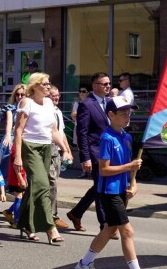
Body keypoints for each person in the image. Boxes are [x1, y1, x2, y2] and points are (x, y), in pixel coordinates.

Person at [75, 96, 142, 269]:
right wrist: (129, 166)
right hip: (109, 192)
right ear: (111, 114)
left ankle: (84, 263)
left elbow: (130, 168)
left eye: (129, 113)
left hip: (121, 190)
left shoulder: (127, 137)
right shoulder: (107, 138)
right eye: (123, 113)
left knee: (109, 229)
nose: (128, 117)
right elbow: (104, 169)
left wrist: (133, 185)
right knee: (127, 231)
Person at [14, 72, 71, 244]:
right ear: (36, 86)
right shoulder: (27, 102)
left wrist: (65, 149)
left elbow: (53, 130)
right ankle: (50, 227)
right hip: (30, 147)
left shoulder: (48, 104)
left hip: (46, 147)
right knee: (42, 184)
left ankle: (25, 224)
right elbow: (18, 130)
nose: (48, 86)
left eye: (48, 83)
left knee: (35, 187)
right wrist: (18, 156)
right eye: (45, 84)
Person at [67, 72, 111, 234]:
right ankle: (104, 225)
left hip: (109, 152)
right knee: (101, 189)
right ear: (95, 86)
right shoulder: (87, 104)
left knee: (99, 186)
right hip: (95, 153)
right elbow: (82, 132)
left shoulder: (110, 102)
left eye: (109, 83)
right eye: (104, 84)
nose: (108, 86)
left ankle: (76, 213)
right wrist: (85, 157)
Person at [1, 84, 27, 228]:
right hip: (13, 144)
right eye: (18, 94)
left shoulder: (30, 108)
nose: (20, 97)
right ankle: (17, 219)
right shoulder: (11, 109)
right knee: (18, 185)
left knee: (24, 188)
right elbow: (10, 124)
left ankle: (10, 212)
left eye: (23, 94)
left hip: (27, 144)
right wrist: (7, 135)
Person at [48, 86, 71, 229]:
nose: (56, 98)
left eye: (58, 95)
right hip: (47, 150)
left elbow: (61, 133)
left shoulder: (58, 112)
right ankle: (52, 217)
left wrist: (67, 150)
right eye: (53, 95)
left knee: (53, 183)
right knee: (51, 185)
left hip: (57, 152)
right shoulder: (46, 110)